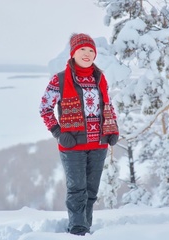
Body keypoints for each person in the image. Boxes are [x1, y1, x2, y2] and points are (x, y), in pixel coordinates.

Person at [39, 33, 119, 236]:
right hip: (72, 145)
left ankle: (86, 227)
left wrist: (112, 130)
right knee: (77, 191)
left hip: (98, 144)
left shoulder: (99, 78)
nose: (87, 54)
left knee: (91, 192)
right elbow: (45, 108)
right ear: (73, 52)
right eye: (83, 49)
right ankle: (77, 230)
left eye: (91, 50)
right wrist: (58, 132)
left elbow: (107, 106)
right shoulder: (60, 79)